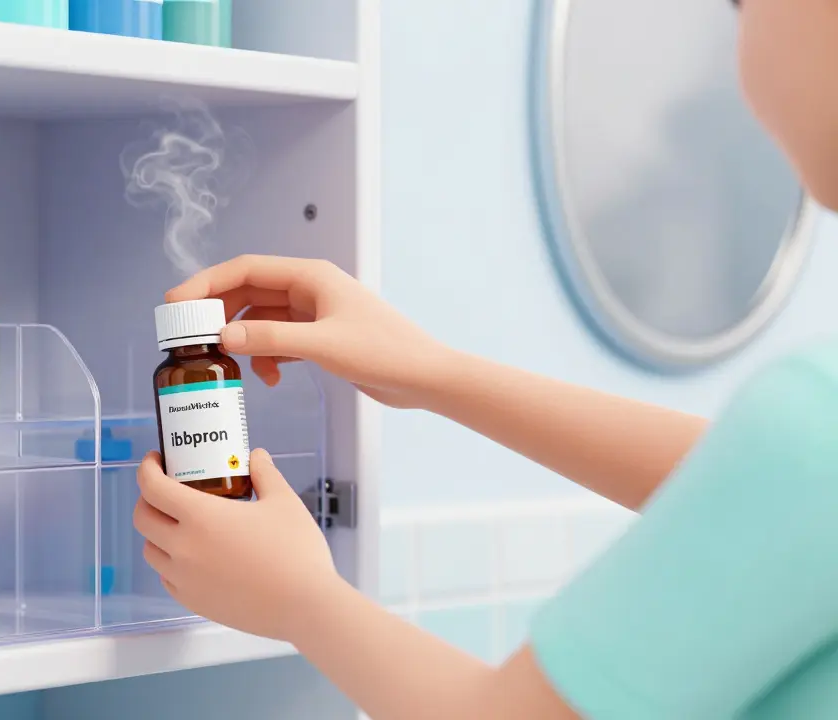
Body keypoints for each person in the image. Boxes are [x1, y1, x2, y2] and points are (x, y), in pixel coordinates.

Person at [132, 0, 838, 716]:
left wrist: (300, 600)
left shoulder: (813, 423)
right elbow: (755, 491)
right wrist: (434, 373)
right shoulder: (811, 435)